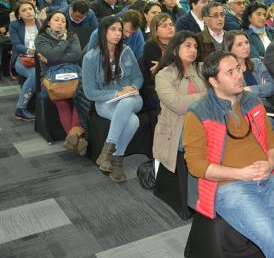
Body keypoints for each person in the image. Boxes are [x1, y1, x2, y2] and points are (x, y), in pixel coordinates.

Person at [182, 51, 274, 258]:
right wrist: (241, 174)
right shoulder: (198, 113)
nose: (238, 75)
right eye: (229, 72)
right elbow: (196, 165)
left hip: (266, 177)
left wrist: (270, 163)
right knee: (272, 237)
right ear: (213, 81)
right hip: (230, 187)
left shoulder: (252, 102)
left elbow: (272, 141)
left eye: (238, 69)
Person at [82, 16, 144, 183]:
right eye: (113, 29)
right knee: (133, 121)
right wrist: (115, 94)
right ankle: (117, 160)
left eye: (120, 30)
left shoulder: (127, 51)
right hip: (105, 102)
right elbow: (89, 92)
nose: (118, 34)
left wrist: (133, 88)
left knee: (127, 101)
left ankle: (107, 151)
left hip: (132, 98)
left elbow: (138, 77)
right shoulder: (90, 57)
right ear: (103, 31)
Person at [153, 31, 207, 174]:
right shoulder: (164, 75)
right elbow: (178, 105)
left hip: (205, 121)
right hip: (177, 129)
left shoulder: (203, 68)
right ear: (175, 49)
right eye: (188, 46)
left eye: (195, 46)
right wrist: (205, 95)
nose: (193, 50)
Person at [35, 11, 87, 155]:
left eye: (63, 21)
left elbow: (76, 55)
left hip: (73, 73)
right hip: (51, 78)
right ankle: (78, 138)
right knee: (62, 101)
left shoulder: (72, 35)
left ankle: (72, 137)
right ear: (48, 22)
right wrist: (63, 42)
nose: (60, 23)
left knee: (79, 97)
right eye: (56, 20)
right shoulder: (41, 38)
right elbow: (52, 55)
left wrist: (52, 58)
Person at [10, 1, 43, 120]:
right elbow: (16, 44)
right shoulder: (15, 25)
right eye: (24, 10)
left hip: (42, 57)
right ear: (19, 15)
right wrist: (30, 51)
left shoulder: (42, 23)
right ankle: (20, 109)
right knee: (34, 74)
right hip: (22, 58)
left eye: (30, 8)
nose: (28, 12)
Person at [223, 31, 274, 102]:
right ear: (229, 49)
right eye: (239, 45)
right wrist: (262, 88)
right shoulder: (228, 72)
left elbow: (272, 86)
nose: (245, 47)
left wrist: (250, 89)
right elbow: (238, 96)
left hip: (266, 106)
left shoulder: (256, 63)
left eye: (246, 42)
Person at [141, 13, 175, 110]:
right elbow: (157, 72)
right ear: (155, 32)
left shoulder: (179, 43)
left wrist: (163, 64)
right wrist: (171, 65)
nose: (169, 28)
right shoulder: (150, 46)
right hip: (155, 86)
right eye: (164, 26)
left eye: (171, 24)